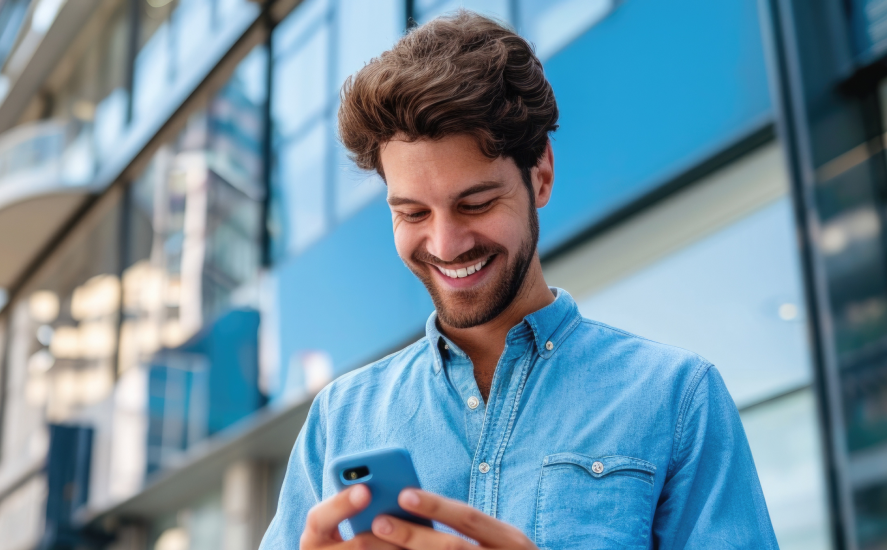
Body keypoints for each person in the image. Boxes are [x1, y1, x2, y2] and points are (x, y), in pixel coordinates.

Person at [258, 10, 778, 550]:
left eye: (477, 203)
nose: (445, 244)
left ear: (541, 174)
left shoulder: (675, 397)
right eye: (412, 214)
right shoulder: (339, 418)